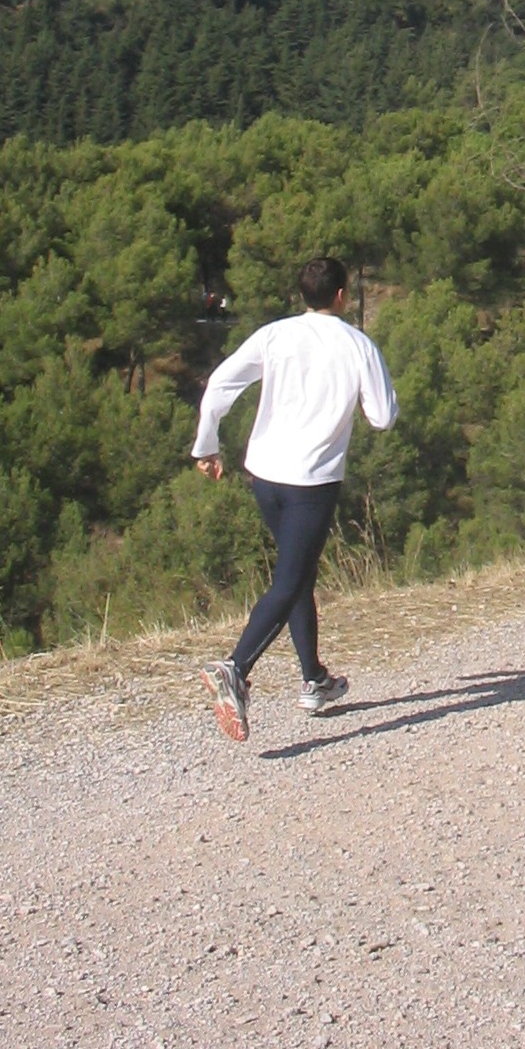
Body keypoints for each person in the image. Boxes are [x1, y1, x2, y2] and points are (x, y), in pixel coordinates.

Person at [192, 255, 399, 743]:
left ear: (302, 296)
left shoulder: (276, 335)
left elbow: (221, 383)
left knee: (296, 571)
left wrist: (206, 445)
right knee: (290, 579)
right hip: (313, 481)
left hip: (264, 473)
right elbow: (383, 417)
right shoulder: (358, 345)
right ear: (342, 296)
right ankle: (235, 669)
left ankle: (314, 680)